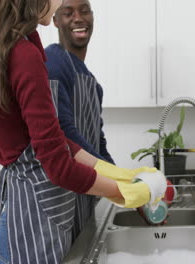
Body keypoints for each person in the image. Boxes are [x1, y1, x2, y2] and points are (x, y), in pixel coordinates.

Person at [0, 0, 161, 263]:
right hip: (33, 220)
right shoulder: (26, 56)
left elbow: (57, 141)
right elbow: (58, 166)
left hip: (27, 211)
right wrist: (128, 193)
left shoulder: (12, 47)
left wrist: (121, 175)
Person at [44, 0, 113, 237]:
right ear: (55, 20)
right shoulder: (52, 61)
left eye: (85, 11)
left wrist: (128, 182)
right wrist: (118, 182)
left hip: (83, 203)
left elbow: (98, 145)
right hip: (57, 206)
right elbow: (64, 134)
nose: (78, 18)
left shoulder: (94, 86)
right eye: (68, 13)